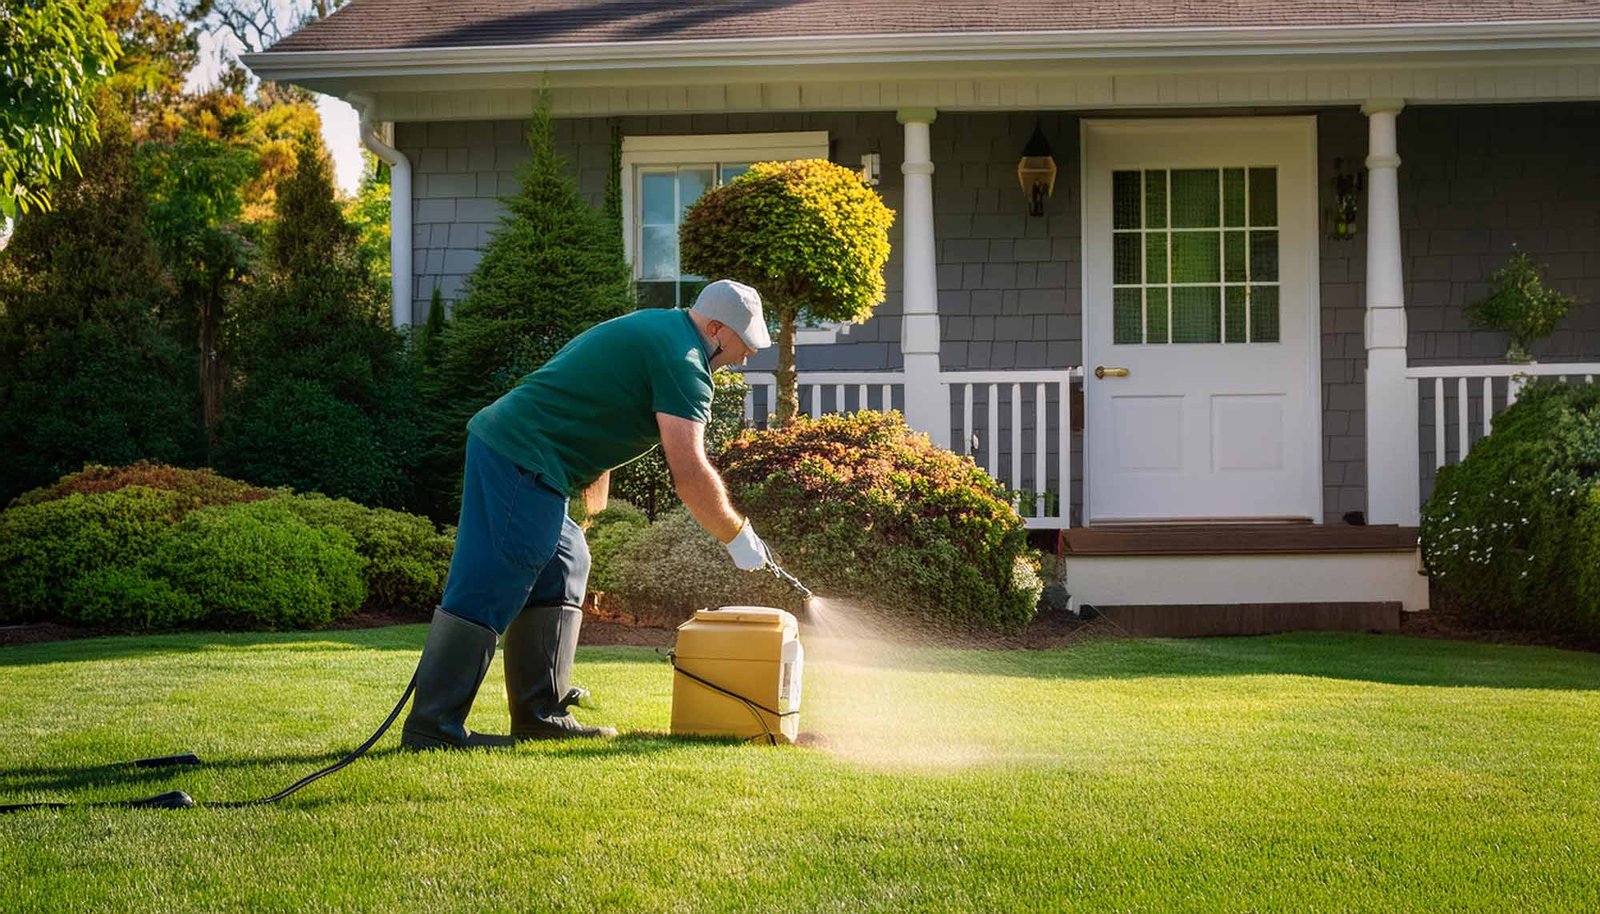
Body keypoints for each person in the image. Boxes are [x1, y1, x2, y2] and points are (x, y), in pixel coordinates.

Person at [401, 279, 776, 749]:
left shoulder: (663, 332)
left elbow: (594, 393)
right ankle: (433, 728)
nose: (748, 356)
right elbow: (690, 472)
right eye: (746, 343)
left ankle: (541, 716)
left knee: (565, 561)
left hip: (530, 456)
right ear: (717, 329)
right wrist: (735, 535)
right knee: (495, 578)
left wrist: (593, 478)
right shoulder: (684, 361)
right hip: (520, 455)